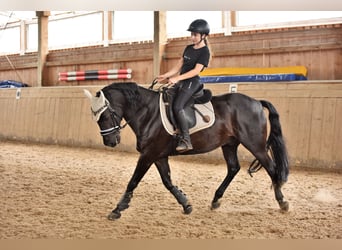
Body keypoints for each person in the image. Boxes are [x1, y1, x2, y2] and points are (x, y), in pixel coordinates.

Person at [157, 19, 211, 152]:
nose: (192, 37)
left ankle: (186, 140)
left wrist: (177, 78)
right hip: (182, 80)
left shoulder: (205, 52)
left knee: (178, 105)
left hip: (193, 82)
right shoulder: (188, 48)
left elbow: (196, 71)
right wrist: (166, 75)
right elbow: (179, 66)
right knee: (166, 97)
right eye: (191, 34)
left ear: (203, 36)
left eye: (195, 35)